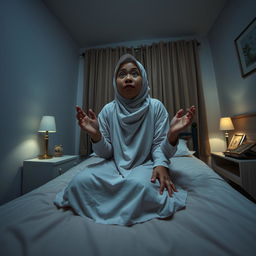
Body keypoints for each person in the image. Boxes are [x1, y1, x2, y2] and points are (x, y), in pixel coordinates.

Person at [54, 54, 195, 225]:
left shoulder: (156, 107)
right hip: (113, 164)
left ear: (143, 79)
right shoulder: (108, 110)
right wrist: (95, 135)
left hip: (146, 163)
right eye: (122, 74)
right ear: (115, 82)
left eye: (134, 73)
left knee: (140, 186)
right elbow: (106, 153)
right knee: (79, 181)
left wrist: (171, 137)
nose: (128, 78)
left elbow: (159, 147)